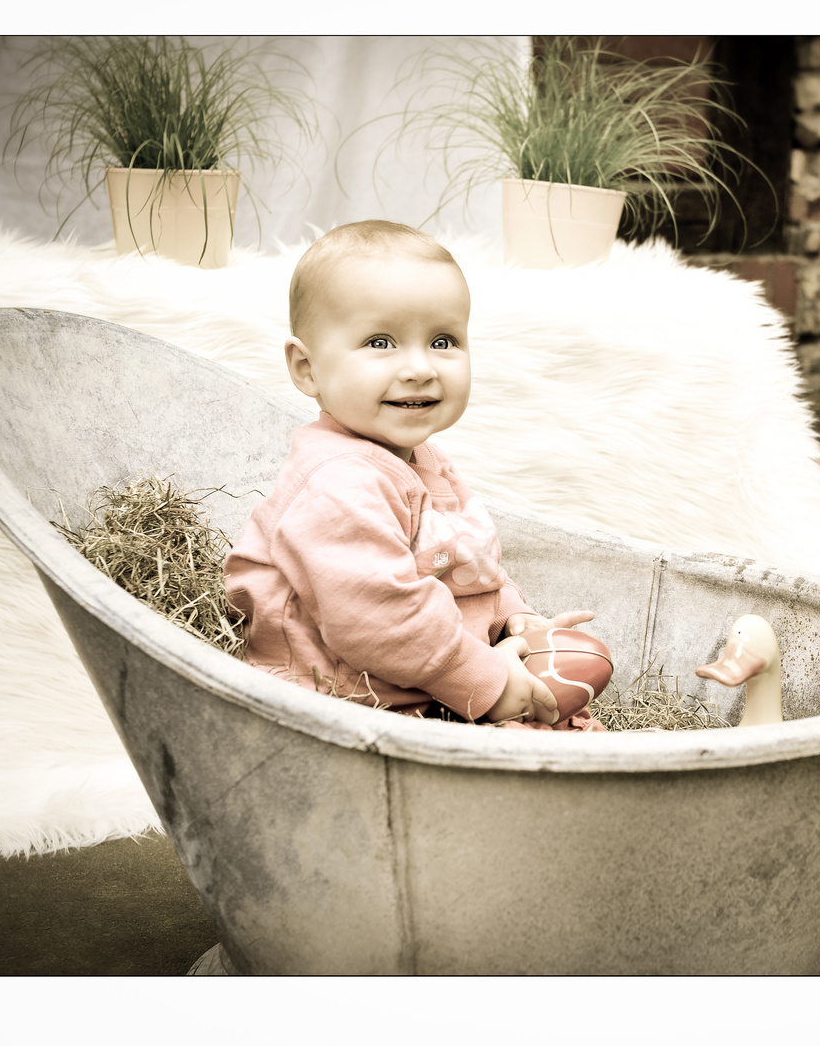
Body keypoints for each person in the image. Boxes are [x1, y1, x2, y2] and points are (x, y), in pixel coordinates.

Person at [224, 220, 602, 730]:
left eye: (443, 341)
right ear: (307, 368)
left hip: (427, 691)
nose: (421, 368)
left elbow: (465, 559)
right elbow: (377, 618)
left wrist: (513, 617)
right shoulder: (338, 481)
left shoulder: (424, 460)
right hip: (336, 707)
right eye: (381, 342)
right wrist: (488, 684)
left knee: (573, 734)